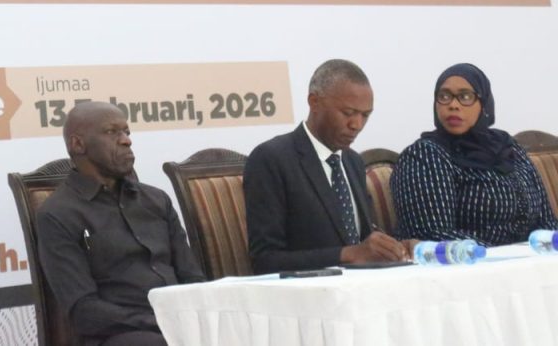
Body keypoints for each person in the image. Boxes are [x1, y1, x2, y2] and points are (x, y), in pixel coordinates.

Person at [36, 101, 204, 346]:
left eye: (126, 132)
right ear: (78, 144)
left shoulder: (156, 200)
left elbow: (192, 278)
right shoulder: (58, 214)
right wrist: (158, 322)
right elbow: (84, 311)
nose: (126, 140)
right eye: (111, 132)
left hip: (178, 322)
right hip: (119, 334)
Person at [244, 59, 411, 274]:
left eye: (365, 115)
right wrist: (347, 255)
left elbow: (363, 241)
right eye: (348, 113)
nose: (357, 125)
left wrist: (393, 249)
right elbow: (265, 260)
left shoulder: (353, 162)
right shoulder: (272, 159)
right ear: (314, 102)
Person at [391, 63, 558, 245]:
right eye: (444, 96)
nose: (453, 105)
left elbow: (547, 222)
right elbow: (433, 235)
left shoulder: (507, 147)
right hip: (472, 260)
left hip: (530, 258)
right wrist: (501, 256)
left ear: (484, 103)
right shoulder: (424, 156)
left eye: (465, 96)